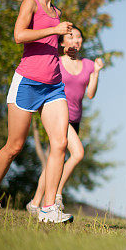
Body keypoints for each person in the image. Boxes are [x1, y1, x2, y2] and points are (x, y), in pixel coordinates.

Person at [0, 0, 75, 223]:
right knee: (14, 146)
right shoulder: (30, 4)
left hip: (54, 85)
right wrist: (54, 30)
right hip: (28, 82)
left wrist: (66, 49)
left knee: (60, 143)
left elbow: (47, 47)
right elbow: (19, 36)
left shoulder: (56, 11)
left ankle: (48, 208)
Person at [28, 26, 104, 215]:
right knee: (77, 153)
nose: (75, 40)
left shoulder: (88, 65)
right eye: (70, 37)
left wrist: (96, 73)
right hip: (57, 115)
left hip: (75, 118)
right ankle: (57, 194)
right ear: (62, 43)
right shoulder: (57, 62)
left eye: (78, 37)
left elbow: (91, 94)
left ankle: (35, 203)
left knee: (55, 160)